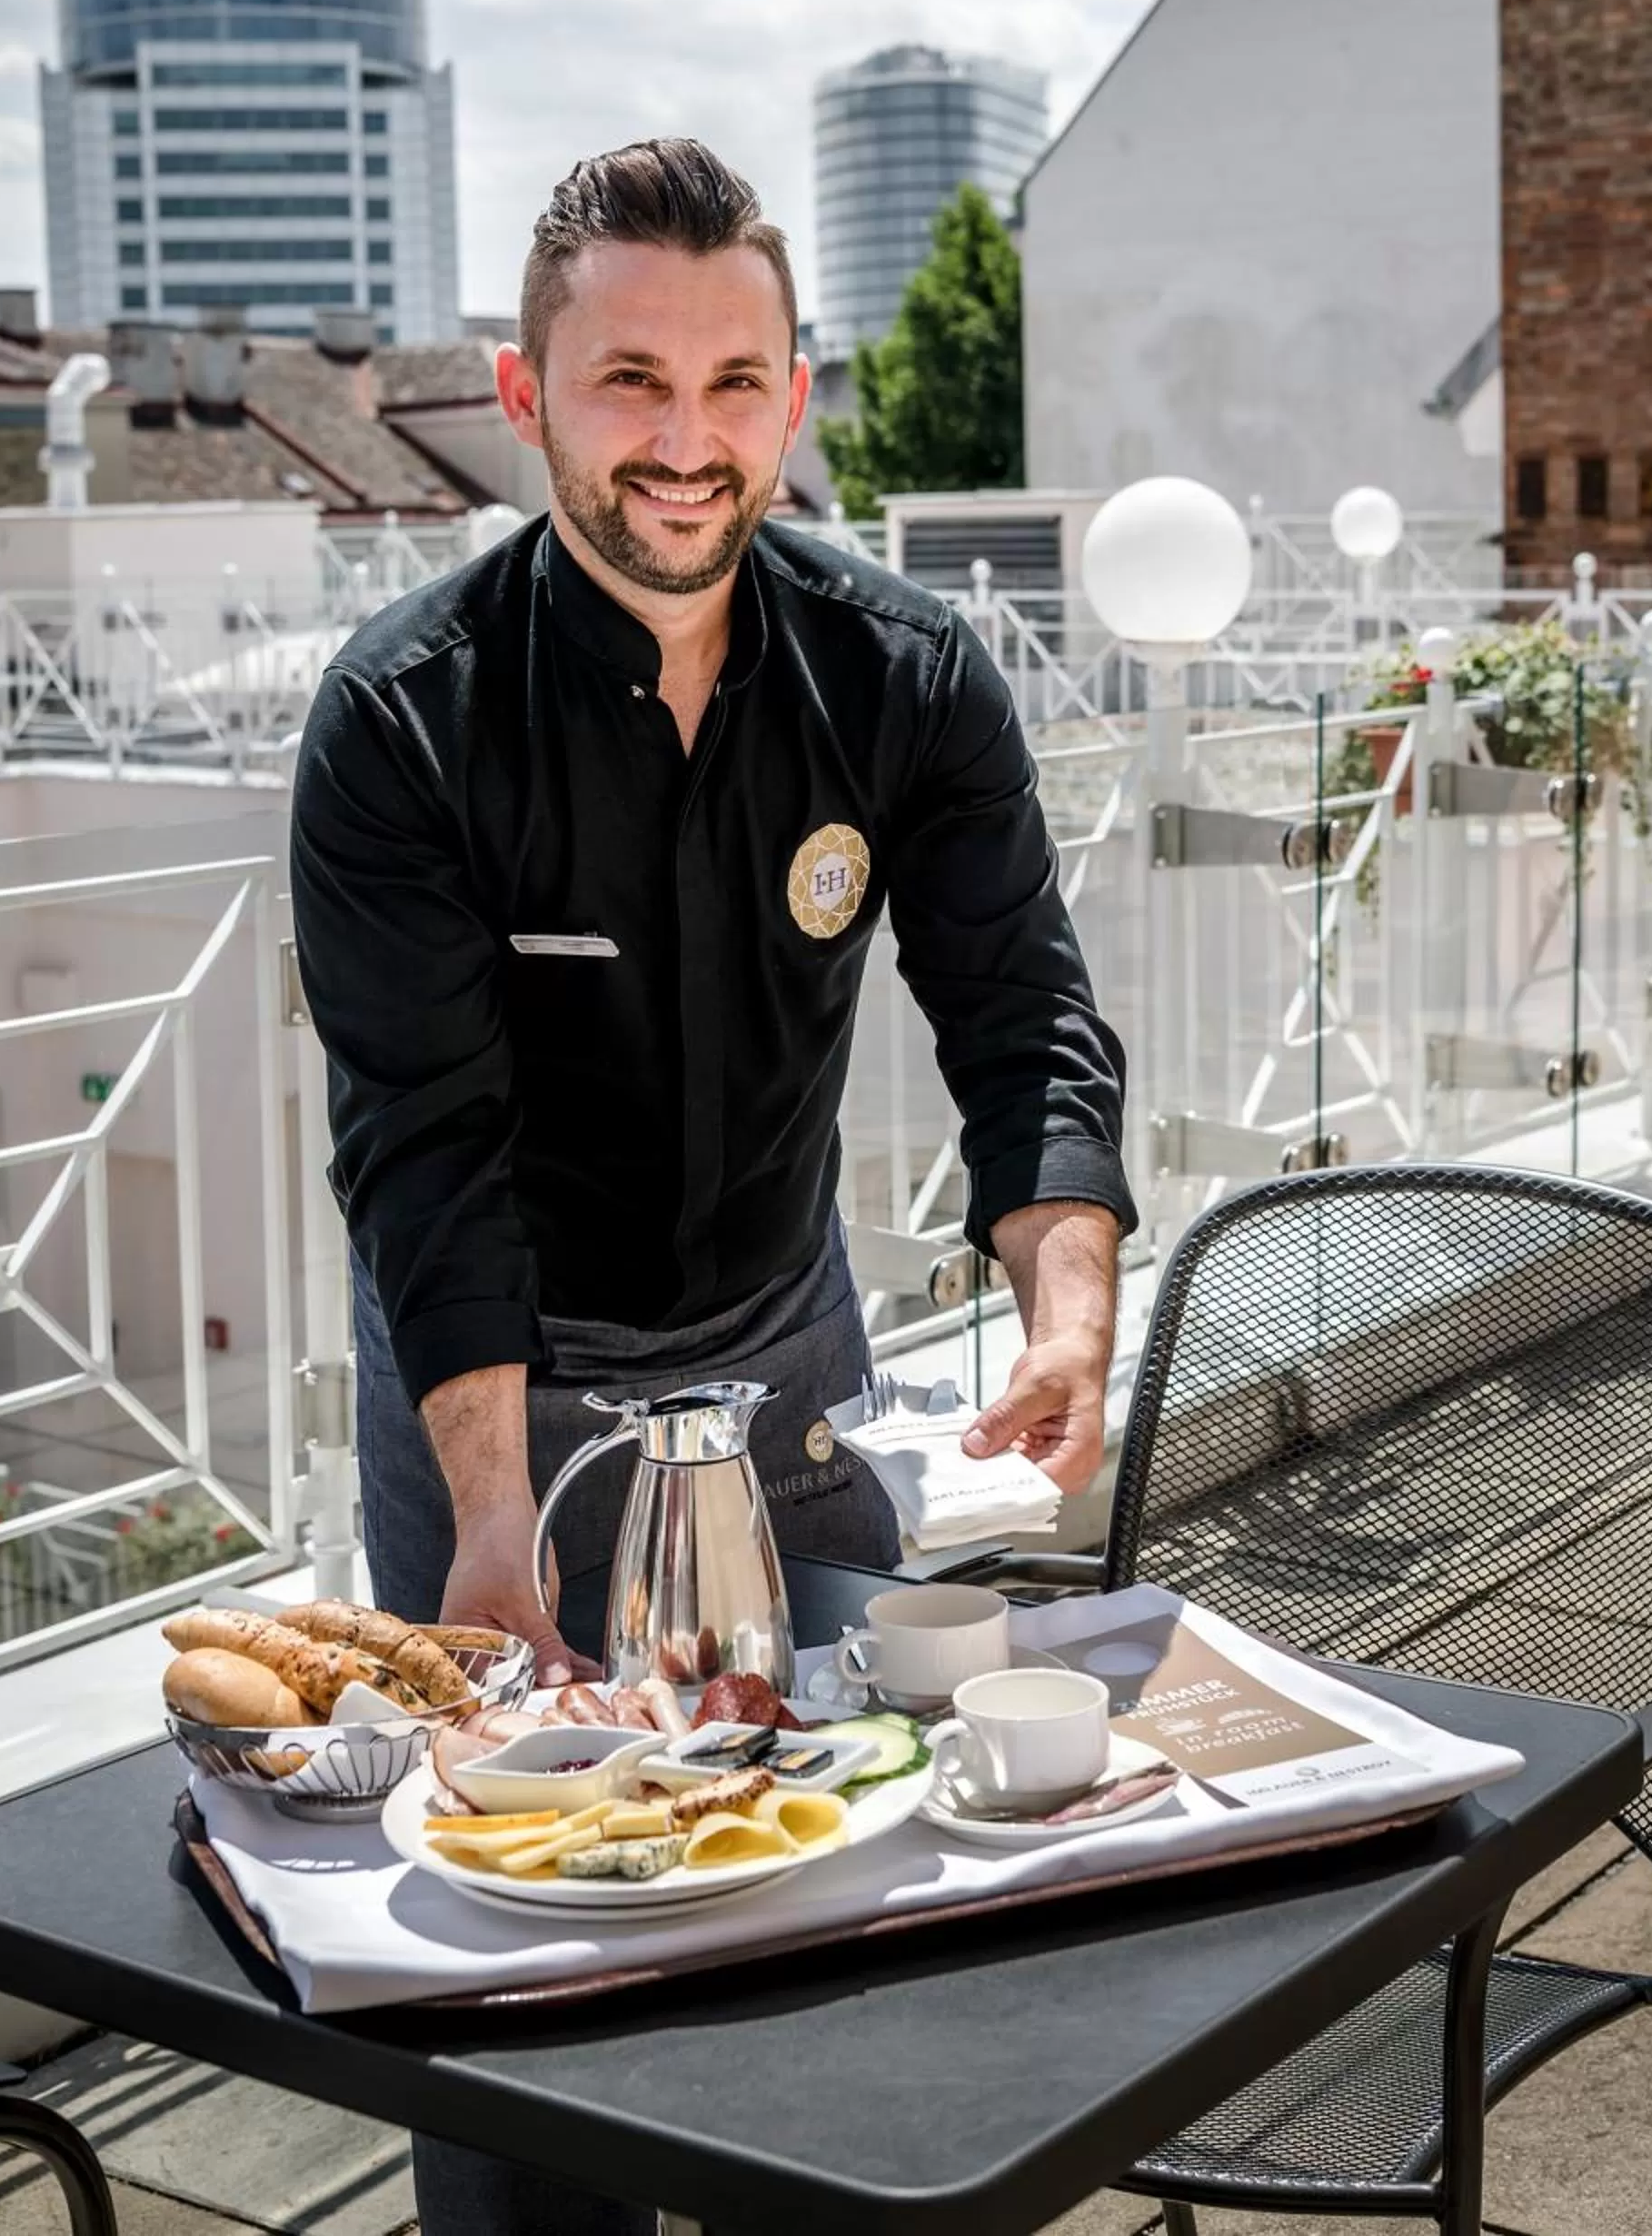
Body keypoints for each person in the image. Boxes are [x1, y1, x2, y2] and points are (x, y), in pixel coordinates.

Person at [290, 137, 1136, 2235]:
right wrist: (491, 1519)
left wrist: (1068, 1300)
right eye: (631, 385)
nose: (687, 445)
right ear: (526, 395)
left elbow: (1020, 1010)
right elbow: (427, 1150)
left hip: (792, 1375)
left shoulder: (908, 671)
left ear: (800, 393)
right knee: (514, 1993)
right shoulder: (402, 722)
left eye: (735, 383)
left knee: (850, 1921)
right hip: (503, 1390)